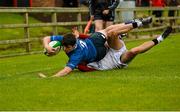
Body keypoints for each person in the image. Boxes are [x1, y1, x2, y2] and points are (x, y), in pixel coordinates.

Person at [41, 17, 152, 77]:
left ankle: (138, 23)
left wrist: (50, 78)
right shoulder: (69, 43)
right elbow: (46, 38)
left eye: (66, 47)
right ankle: (134, 25)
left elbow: (66, 70)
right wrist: (47, 46)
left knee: (111, 29)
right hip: (98, 49)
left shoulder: (75, 51)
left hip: (94, 42)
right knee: (111, 32)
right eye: (64, 46)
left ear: (73, 44)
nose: (64, 49)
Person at [78, 26, 173, 71]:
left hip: (111, 49)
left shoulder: (85, 51)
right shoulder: (83, 65)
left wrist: (79, 35)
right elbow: (79, 67)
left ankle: (124, 31)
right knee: (134, 51)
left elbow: (90, 39)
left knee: (112, 33)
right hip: (117, 61)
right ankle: (160, 39)